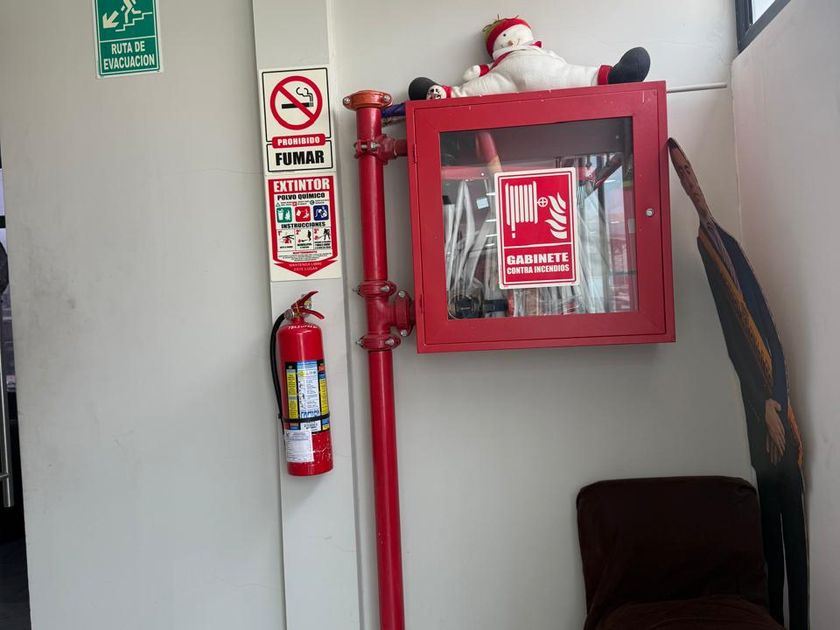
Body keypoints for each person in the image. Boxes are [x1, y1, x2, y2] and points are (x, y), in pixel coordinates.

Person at [669, 139, 809, 630]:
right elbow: (736, 345)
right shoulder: (707, 247)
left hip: (778, 414)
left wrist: (779, 402)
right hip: (760, 420)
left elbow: (768, 332)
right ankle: (773, 618)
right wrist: (761, 406)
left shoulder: (727, 242)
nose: (690, 181)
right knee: (772, 539)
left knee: (796, 536)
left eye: (689, 170)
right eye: (681, 175)